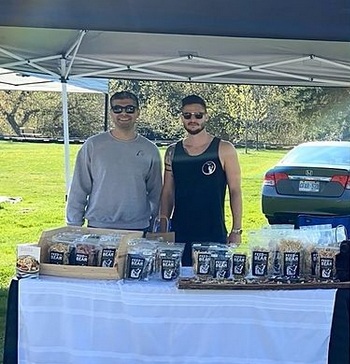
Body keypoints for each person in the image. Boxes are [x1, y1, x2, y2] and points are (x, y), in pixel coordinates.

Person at [159, 94, 242, 266]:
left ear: (206, 116)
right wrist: (163, 224)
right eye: (187, 115)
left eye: (198, 115)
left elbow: (235, 191)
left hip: (213, 230)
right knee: (177, 283)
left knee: (213, 284)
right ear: (181, 118)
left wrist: (236, 230)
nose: (193, 119)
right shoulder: (172, 152)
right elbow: (167, 191)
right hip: (180, 232)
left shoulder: (224, 149)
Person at [66, 90, 162, 231]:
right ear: (111, 113)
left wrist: (155, 224)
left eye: (130, 109)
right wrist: (73, 226)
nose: (123, 113)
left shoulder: (150, 149)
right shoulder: (93, 145)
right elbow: (78, 188)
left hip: (138, 228)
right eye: (117, 109)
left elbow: (156, 192)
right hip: (98, 227)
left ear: (138, 113)